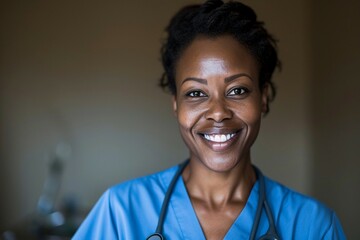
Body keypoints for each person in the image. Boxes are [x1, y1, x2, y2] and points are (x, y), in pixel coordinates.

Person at [72, 0, 346, 239]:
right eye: (196, 93)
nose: (218, 112)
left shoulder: (313, 226)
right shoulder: (120, 212)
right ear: (176, 104)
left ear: (263, 96)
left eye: (238, 90)